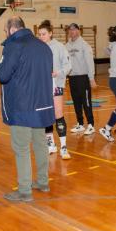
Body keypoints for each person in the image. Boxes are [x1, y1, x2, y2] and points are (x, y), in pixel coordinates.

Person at [0, 16, 54, 202]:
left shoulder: (14, 46)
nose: (5, 34)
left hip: (23, 105)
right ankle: (43, 182)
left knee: (21, 147)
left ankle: (24, 190)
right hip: (42, 103)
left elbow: (3, 75)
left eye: (5, 31)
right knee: (40, 143)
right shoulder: (44, 46)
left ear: (12, 29)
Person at [37, 20, 72, 159]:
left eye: (44, 34)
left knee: (58, 114)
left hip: (55, 84)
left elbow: (68, 65)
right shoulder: (37, 47)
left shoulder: (59, 47)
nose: (41, 36)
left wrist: (58, 72)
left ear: (50, 33)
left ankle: (63, 146)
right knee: (46, 115)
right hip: (42, 86)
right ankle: (51, 143)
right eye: (39, 34)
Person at [66, 23, 96, 135]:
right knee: (76, 102)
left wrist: (91, 78)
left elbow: (90, 62)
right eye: (70, 29)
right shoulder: (67, 46)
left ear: (78, 31)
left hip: (83, 78)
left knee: (86, 102)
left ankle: (91, 125)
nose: (72, 31)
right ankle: (80, 124)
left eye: (74, 29)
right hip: (72, 78)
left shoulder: (84, 45)